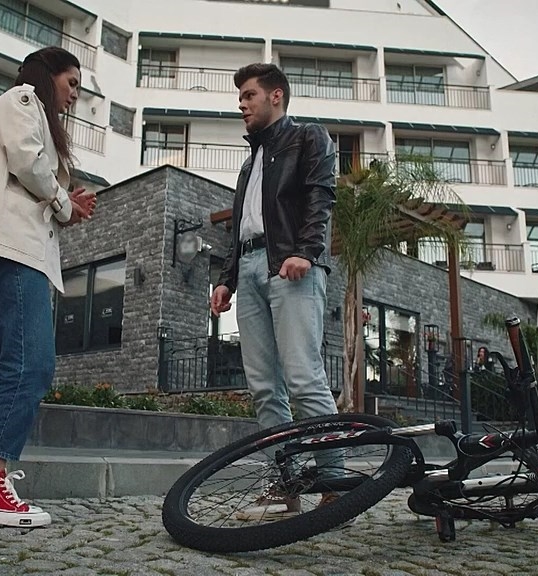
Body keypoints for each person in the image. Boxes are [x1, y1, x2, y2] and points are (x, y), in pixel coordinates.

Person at [0, 46, 96, 528]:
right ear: (49, 75)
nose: (74, 96)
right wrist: (65, 204)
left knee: (3, 365)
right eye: (72, 84)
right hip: (13, 249)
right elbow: (28, 162)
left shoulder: (25, 108)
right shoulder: (23, 99)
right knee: (32, 362)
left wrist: (64, 202)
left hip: (5, 249)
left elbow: (32, 169)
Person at [210, 62, 341, 519]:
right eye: (240, 97)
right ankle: (286, 486)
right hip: (249, 270)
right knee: (265, 388)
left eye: (249, 95)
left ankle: (336, 482)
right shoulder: (250, 163)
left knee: (304, 378)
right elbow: (242, 228)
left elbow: (321, 196)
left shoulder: (307, 137)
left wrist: (306, 250)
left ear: (276, 96)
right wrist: (226, 278)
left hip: (291, 266)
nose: (241, 104)